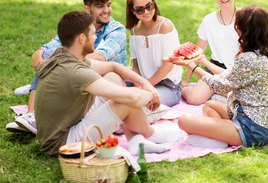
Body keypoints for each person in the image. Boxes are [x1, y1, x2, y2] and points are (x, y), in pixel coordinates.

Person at [35, 11, 181, 156]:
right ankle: (150, 133)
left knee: (113, 77)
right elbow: (132, 98)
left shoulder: (65, 55)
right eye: (93, 34)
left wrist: (146, 84)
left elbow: (113, 66)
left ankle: (135, 141)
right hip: (63, 144)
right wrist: (152, 94)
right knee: (125, 100)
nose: (95, 37)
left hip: (66, 126)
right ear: (81, 38)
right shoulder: (75, 72)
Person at [7, 0, 127, 134]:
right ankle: (31, 115)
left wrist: (59, 59)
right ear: (87, 9)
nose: (106, 11)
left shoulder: (117, 30)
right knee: (49, 55)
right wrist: (39, 62)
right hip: (79, 78)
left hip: (105, 82)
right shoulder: (78, 27)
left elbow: (100, 57)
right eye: (100, 6)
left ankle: (37, 111)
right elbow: (41, 51)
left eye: (108, 5)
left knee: (55, 57)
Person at [176, 5, 268, 148]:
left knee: (184, 120)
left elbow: (219, 85)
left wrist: (192, 66)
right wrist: (202, 60)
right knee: (210, 106)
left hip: (252, 130)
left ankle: (219, 140)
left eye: (238, 26)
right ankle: (220, 136)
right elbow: (227, 75)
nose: (236, 30)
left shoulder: (247, 58)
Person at [181, 0, 240, 105]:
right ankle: (187, 89)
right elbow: (197, 53)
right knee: (194, 99)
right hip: (214, 68)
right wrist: (185, 82)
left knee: (241, 98)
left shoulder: (245, 17)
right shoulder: (208, 20)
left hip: (237, 71)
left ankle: (215, 91)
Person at [125, 0, 183, 107]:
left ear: (154, 4)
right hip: (145, 82)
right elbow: (136, 65)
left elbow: (168, 65)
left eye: (149, 6)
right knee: (112, 84)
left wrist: (144, 88)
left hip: (169, 87)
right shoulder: (135, 30)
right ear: (133, 11)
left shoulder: (165, 26)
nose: (146, 11)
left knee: (142, 103)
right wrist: (138, 87)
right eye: (139, 9)